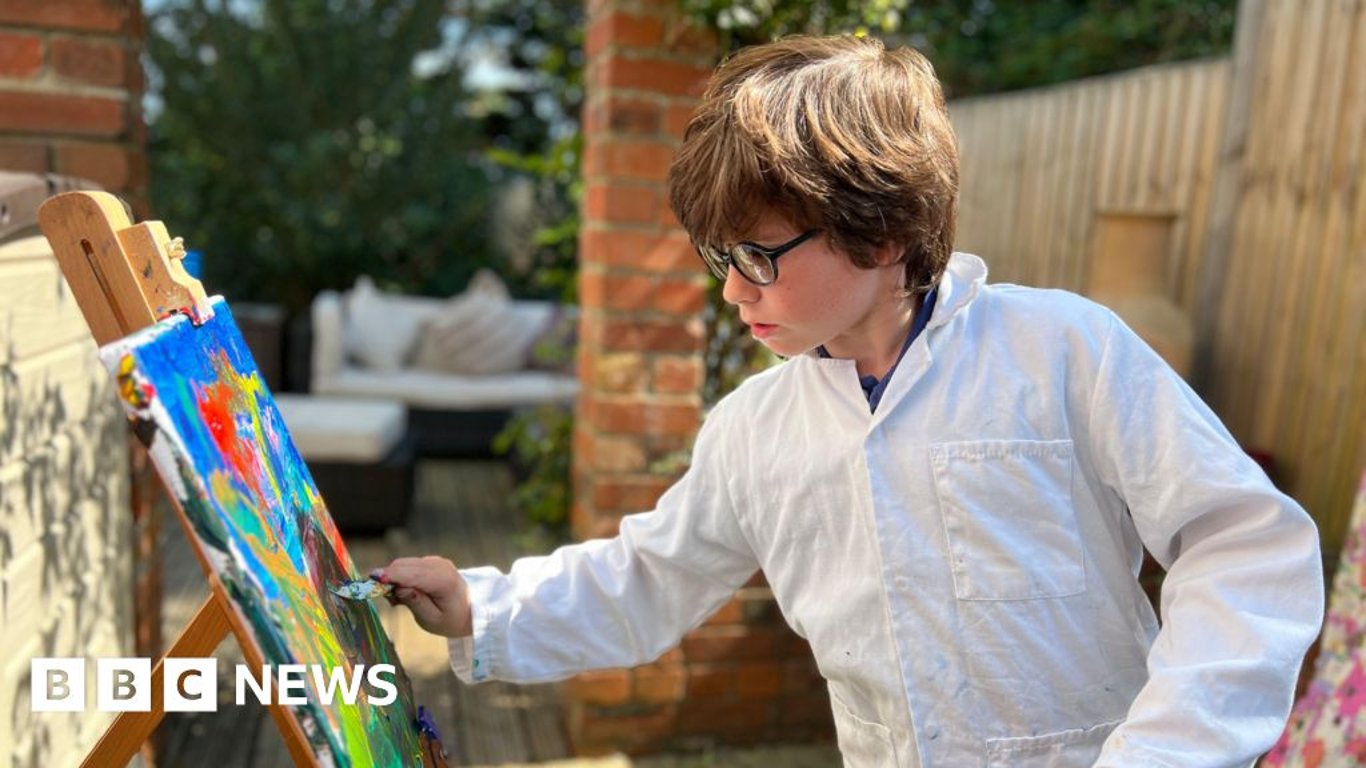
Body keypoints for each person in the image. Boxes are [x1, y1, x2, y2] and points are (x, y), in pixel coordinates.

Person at [377, 35, 1324, 767]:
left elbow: (1241, 546)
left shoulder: (1062, 351)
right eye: (720, 259)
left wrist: (1170, 749)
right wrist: (482, 609)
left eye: (759, 256)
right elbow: (650, 575)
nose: (732, 291)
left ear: (881, 231)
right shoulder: (756, 431)